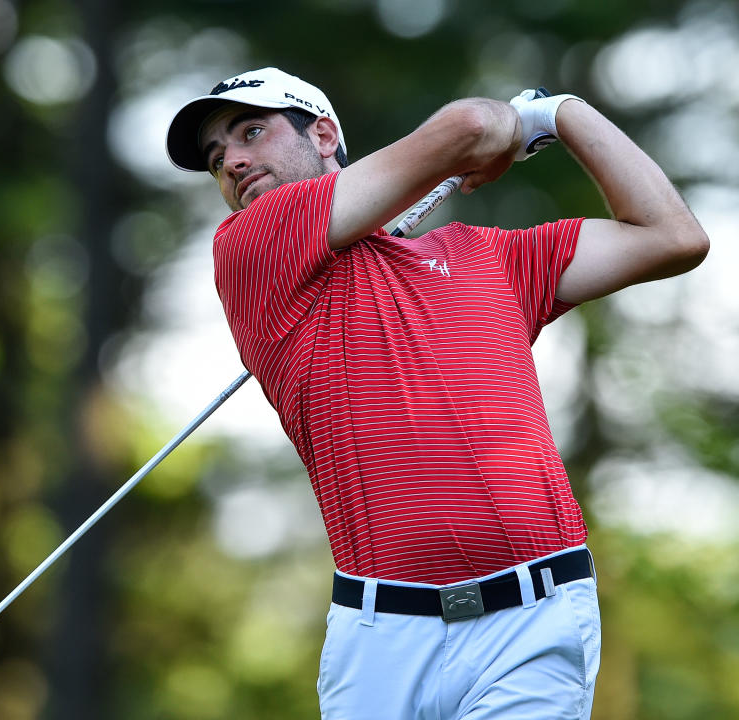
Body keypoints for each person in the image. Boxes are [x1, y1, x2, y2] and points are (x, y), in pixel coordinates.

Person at [166, 67, 708, 720]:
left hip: (533, 627)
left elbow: (673, 237)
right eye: (217, 157)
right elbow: (474, 125)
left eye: (252, 131)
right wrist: (517, 123)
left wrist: (563, 112)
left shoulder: (488, 257)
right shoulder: (251, 246)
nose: (234, 162)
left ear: (325, 134)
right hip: (381, 642)